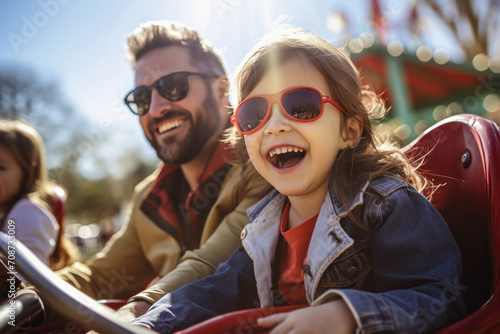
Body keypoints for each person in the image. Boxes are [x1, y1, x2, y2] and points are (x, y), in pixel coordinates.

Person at [131, 27, 467, 333]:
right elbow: (214, 291)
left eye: (301, 105)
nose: (274, 125)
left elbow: (443, 299)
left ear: (349, 131)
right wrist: (149, 323)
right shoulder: (262, 228)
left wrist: (348, 316)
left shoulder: (386, 205)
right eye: (253, 114)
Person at [51, 20, 270, 324]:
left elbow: (214, 265)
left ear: (222, 89)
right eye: (141, 98)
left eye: (173, 86)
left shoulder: (264, 161)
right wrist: (25, 292)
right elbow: (99, 278)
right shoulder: (148, 196)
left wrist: (138, 310)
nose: (155, 108)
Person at [0, 119, 78, 273]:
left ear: (27, 172)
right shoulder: (10, 213)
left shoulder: (27, 211)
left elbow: (26, 275)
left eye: (0, 167)